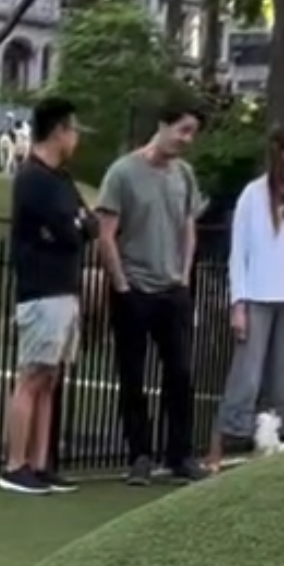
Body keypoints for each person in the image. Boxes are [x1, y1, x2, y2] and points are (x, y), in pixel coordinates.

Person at [94, 99, 208, 485]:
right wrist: (122, 285)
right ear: (163, 124)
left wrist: (185, 275)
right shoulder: (122, 173)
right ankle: (139, 455)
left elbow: (188, 225)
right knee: (133, 375)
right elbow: (105, 235)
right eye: (183, 130)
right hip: (134, 289)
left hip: (172, 288)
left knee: (180, 373)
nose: (187, 139)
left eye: (193, 132)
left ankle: (179, 454)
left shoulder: (184, 175)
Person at [207, 123, 284, 468]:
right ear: (280, 150)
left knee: (283, 382)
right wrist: (237, 304)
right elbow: (238, 252)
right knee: (246, 378)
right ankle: (216, 450)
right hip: (257, 297)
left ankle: (268, 452)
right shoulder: (253, 195)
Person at [0, 96, 89, 495]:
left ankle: (40, 462)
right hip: (41, 290)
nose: (77, 138)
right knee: (32, 375)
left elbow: (89, 225)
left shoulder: (63, 180)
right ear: (59, 132)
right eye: (74, 130)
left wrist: (77, 225)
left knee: (51, 377)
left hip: (66, 288)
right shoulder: (33, 179)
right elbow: (70, 230)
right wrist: (74, 226)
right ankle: (15, 463)